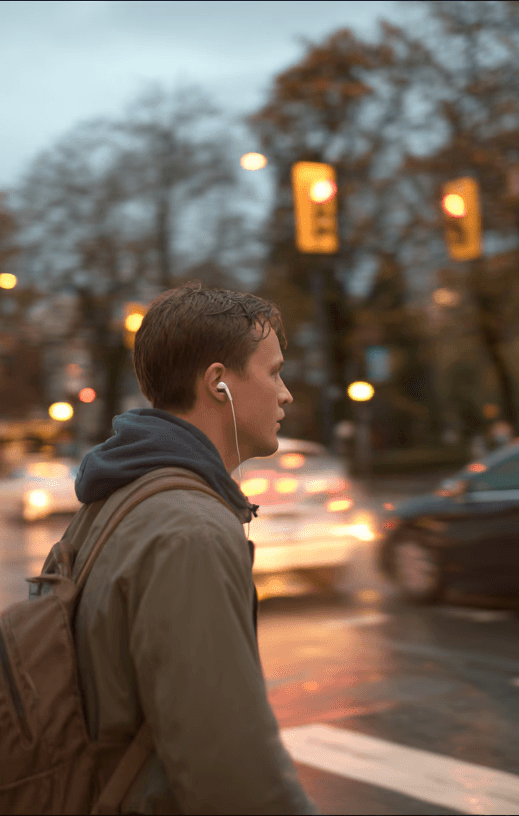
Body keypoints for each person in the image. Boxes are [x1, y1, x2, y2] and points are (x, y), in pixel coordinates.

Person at [63, 282, 316, 813]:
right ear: (218, 384)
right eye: (273, 372)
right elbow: (229, 767)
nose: (286, 392)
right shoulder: (193, 532)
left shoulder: (115, 498)